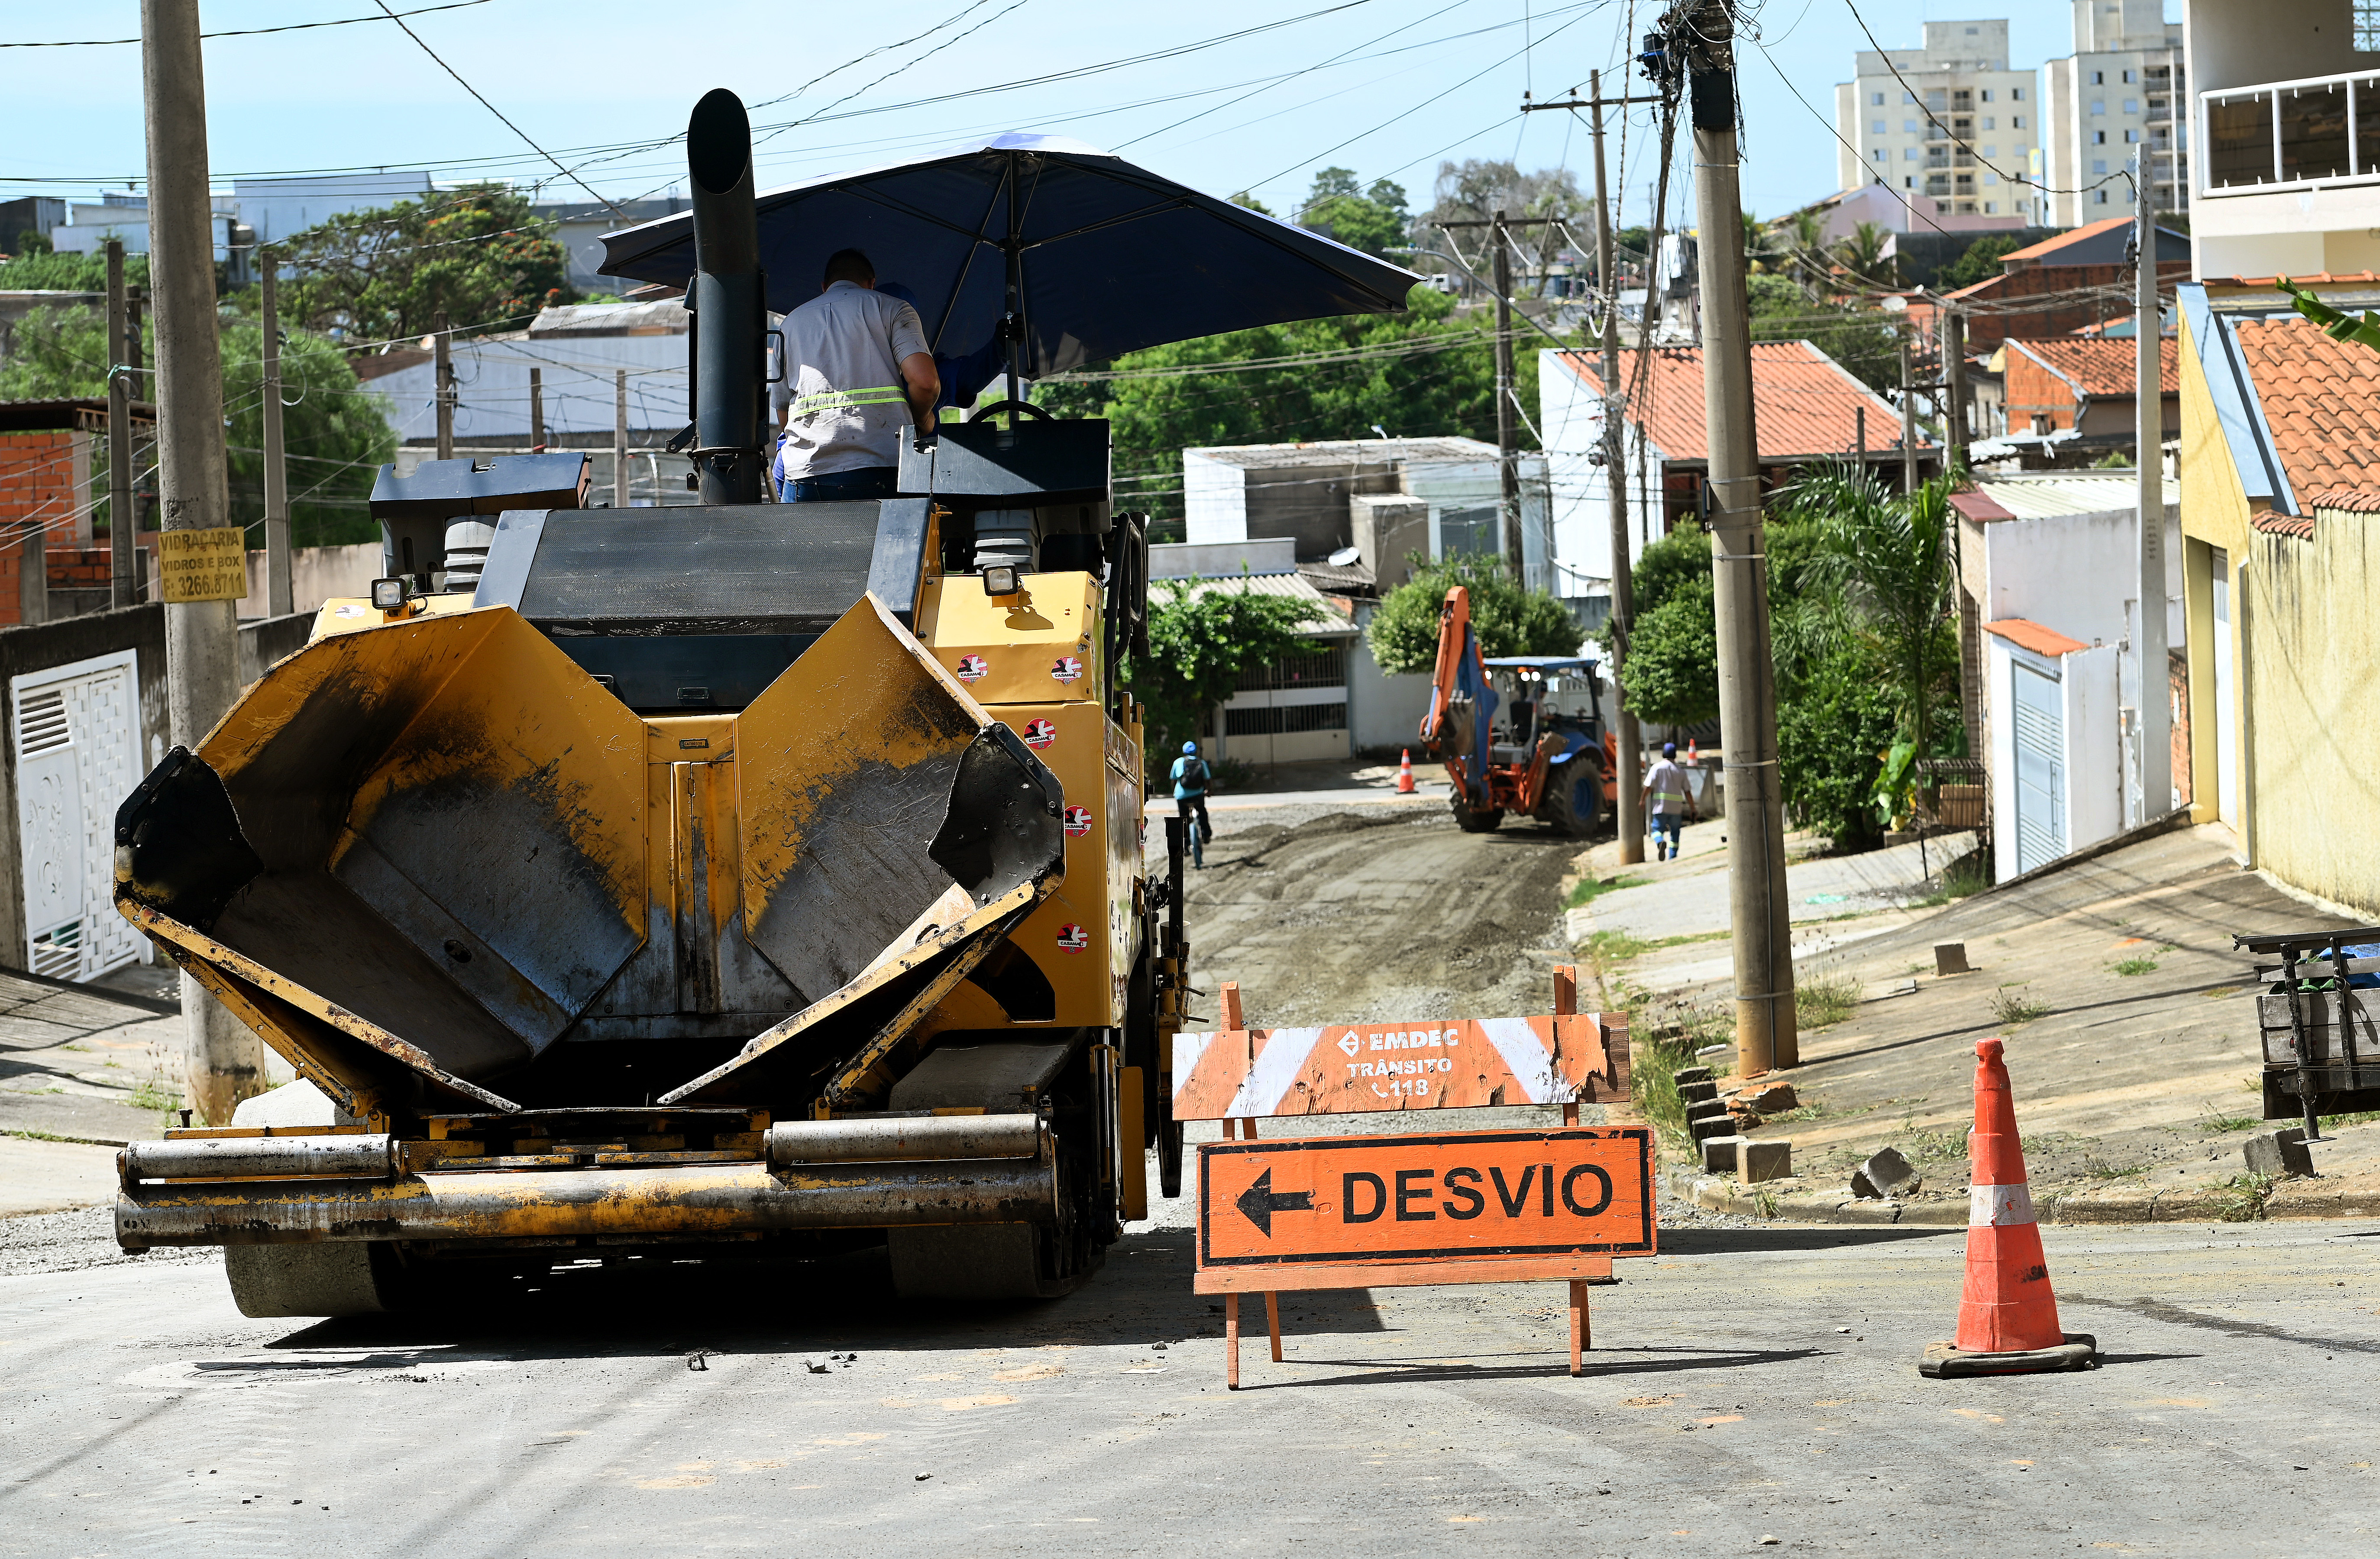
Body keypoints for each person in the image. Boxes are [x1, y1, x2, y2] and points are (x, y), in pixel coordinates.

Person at [774, 248, 939, 502]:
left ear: (824, 287)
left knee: (803, 532)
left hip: (806, 474)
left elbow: (784, 410)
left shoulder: (790, 324)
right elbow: (925, 383)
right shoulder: (893, 309)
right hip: (884, 467)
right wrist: (921, 420)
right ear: (872, 283)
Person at [1640, 740, 1697, 862]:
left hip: (1660, 807)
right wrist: (1693, 808)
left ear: (1663, 754)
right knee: (1675, 833)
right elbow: (1687, 791)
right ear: (1675, 755)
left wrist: (1642, 800)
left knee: (1656, 830)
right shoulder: (1680, 771)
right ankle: (1673, 857)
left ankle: (1660, 842)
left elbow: (1648, 786)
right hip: (1676, 808)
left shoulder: (1657, 768)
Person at [1171, 741, 1213, 868]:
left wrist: (1175, 793)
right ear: (1196, 751)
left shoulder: (1178, 762)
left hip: (1182, 796)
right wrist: (1209, 791)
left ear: (1184, 751)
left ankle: (1185, 846)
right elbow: (1208, 779)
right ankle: (1206, 835)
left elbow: (1173, 780)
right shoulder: (1202, 763)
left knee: (1183, 819)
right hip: (1198, 795)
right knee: (1202, 812)